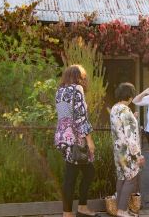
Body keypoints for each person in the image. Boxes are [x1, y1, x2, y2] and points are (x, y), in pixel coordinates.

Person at [54, 65, 97, 217]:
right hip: (76, 138)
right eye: (84, 77)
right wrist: (89, 140)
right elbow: (80, 117)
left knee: (81, 172)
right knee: (74, 175)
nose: (85, 80)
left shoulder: (60, 91)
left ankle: (78, 208)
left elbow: (64, 115)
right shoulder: (76, 89)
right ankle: (70, 212)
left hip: (63, 136)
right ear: (78, 77)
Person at [110, 82, 145, 217]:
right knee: (131, 179)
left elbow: (120, 127)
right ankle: (122, 210)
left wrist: (133, 119)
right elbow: (130, 136)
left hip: (118, 150)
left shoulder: (115, 108)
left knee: (121, 178)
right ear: (130, 96)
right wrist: (138, 155)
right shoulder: (126, 111)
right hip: (128, 152)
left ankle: (119, 208)